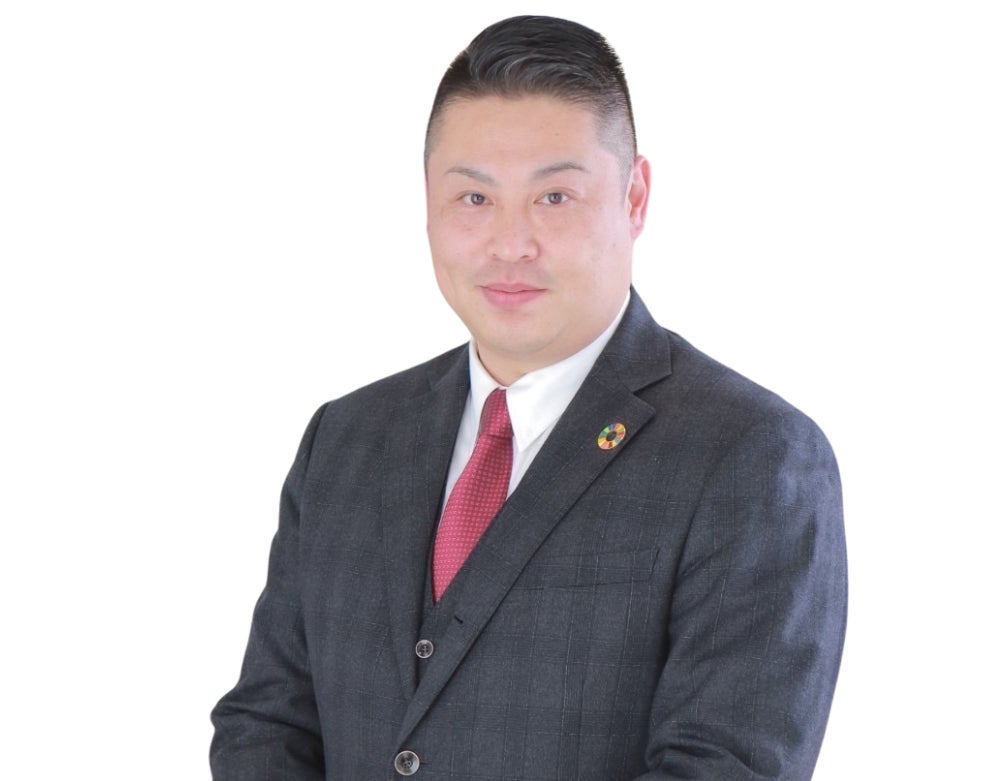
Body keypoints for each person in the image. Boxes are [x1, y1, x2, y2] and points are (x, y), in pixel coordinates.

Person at [210, 15, 847, 781]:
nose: (509, 244)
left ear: (634, 196)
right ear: (427, 203)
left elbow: (722, 766)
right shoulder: (346, 437)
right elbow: (267, 721)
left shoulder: (750, 454)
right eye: (474, 198)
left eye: (553, 196)